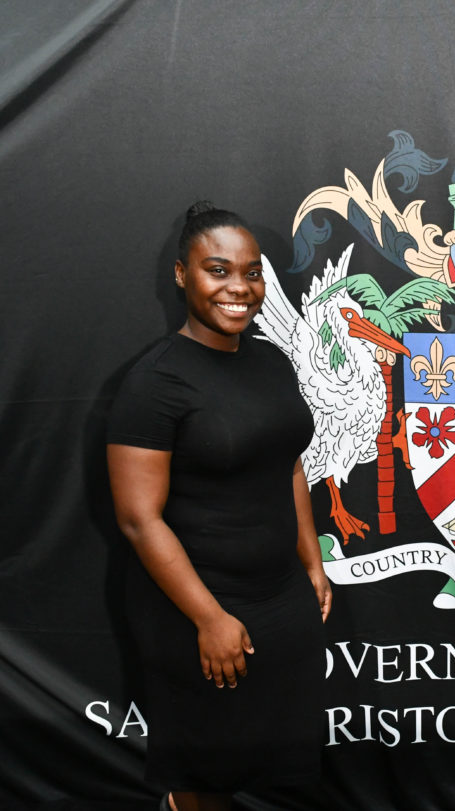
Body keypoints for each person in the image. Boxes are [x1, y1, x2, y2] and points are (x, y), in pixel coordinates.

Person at [107, 202, 332, 811]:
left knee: (261, 756)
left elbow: (289, 464)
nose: (239, 287)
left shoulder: (271, 362)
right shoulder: (155, 383)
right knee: (206, 775)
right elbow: (138, 520)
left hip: (278, 594)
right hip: (195, 607)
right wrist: (209, 619)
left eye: (252, 273)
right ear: (182, 275)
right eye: (218, 270)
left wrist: (311, 561)